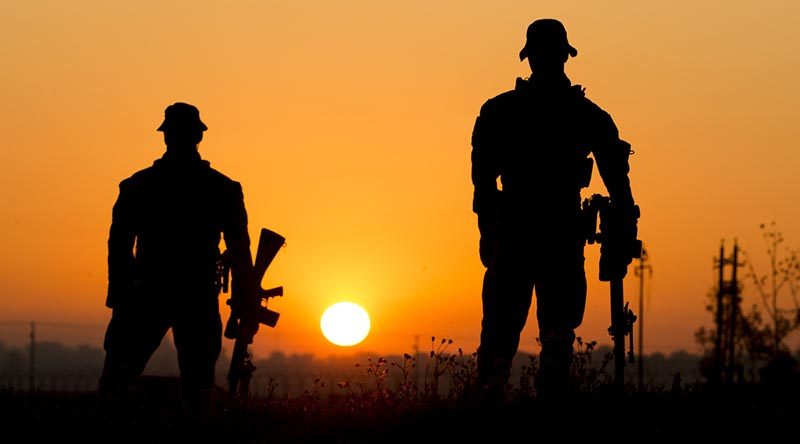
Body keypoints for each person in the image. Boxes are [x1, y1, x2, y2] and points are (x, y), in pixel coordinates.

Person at [471, 19, 637, 399]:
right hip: (539, 236)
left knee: (543, 336)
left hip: (540, 236)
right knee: (520, 335)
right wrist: (489, 233)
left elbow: (619, 184)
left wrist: (622, 225)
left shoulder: (503, 111)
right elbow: (483, 188)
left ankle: (513, 404)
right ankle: (524, 405)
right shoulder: (580, 114)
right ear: (566, 54)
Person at [99, 102, 253, 412]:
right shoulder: (222, 188)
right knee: (196, 388)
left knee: (119, 382)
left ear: (165, 137)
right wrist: (244, 300)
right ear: (200, 137)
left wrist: (121, 297)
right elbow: (239, 252)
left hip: (150, 291)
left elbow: (119, 246)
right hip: (189, 293)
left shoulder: (138, 186)